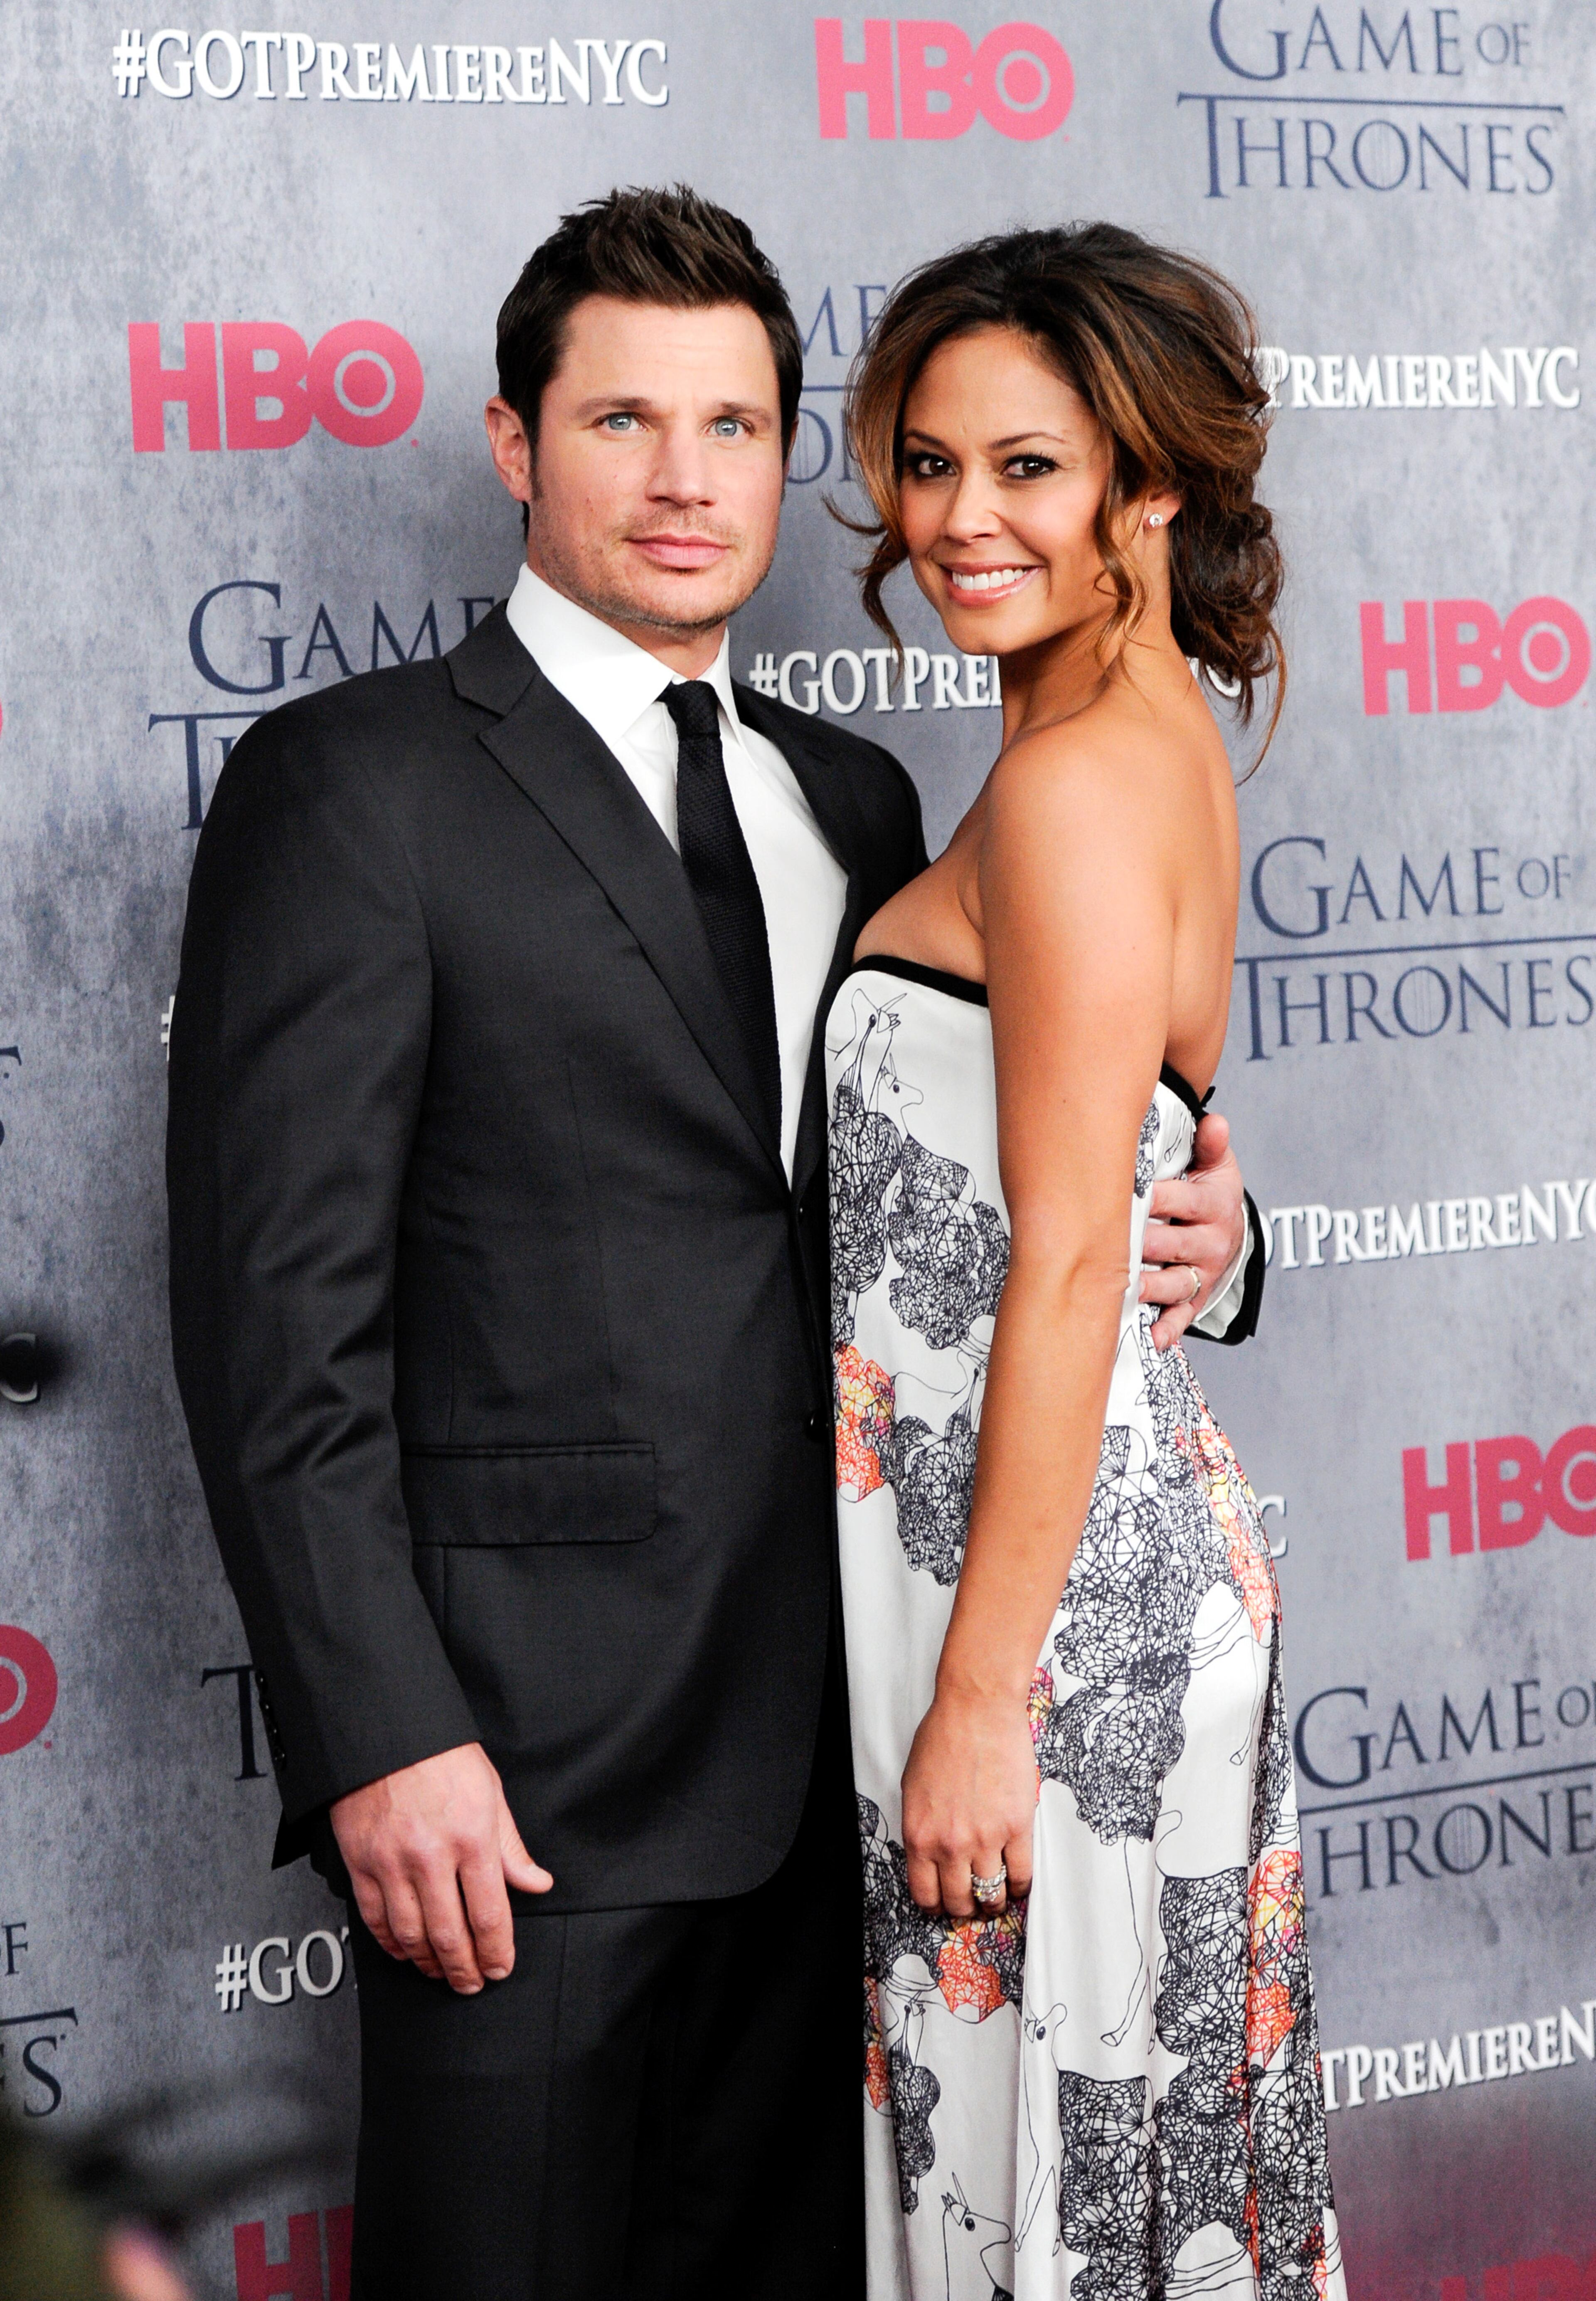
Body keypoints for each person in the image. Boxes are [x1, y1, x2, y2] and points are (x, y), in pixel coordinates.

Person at [166, 188, 1266, 2299]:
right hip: (523, 1788)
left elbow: (997, 1166)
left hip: (863, 1758)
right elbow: (273, 1327)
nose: (687, 482)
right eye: (623, 424)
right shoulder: (354, 787)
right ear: (514, 443)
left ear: (785, 458)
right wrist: (380, 1732)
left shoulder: (864, 793)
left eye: (739, 426)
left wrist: (1208, 1212)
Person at [825, 224, 1344, 2298]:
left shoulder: (1061, 789)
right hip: (1098, 1570)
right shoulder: (1145, 739)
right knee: (1132, 2221)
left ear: (1150, 486)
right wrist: (1212, 1236)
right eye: (929, 464)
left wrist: (976, 1703)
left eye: (1028, 468)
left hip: (1044, 1628)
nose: (961, 520)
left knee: (1050, 2222)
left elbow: (1057, 1271)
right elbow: (1144, 1169)